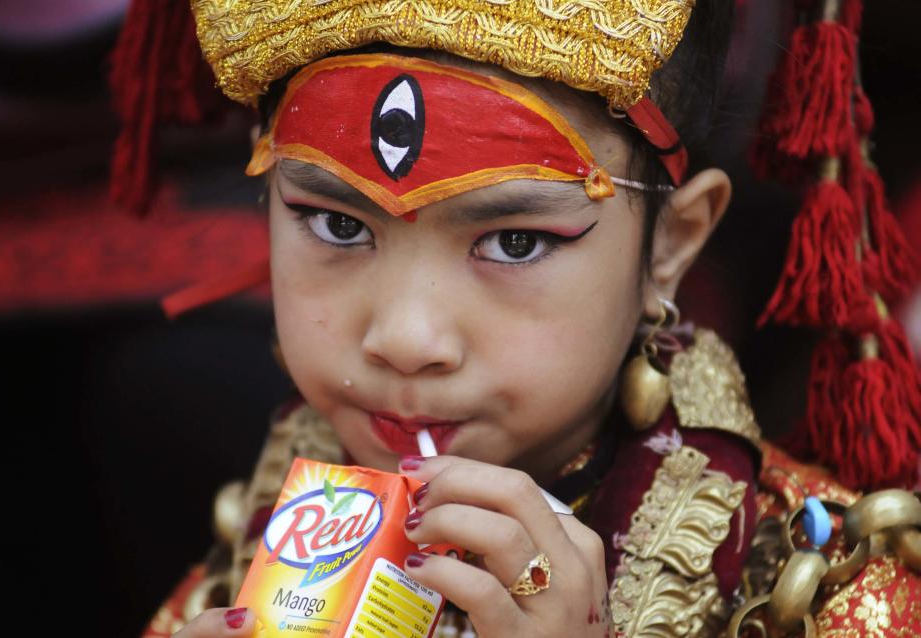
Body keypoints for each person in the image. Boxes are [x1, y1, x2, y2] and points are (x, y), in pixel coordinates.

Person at [107, 1, 921, 636]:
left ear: (670, 244)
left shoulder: (832, 595)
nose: (405, 339)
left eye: (517, 240)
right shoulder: (242, 565)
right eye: (339, 225)